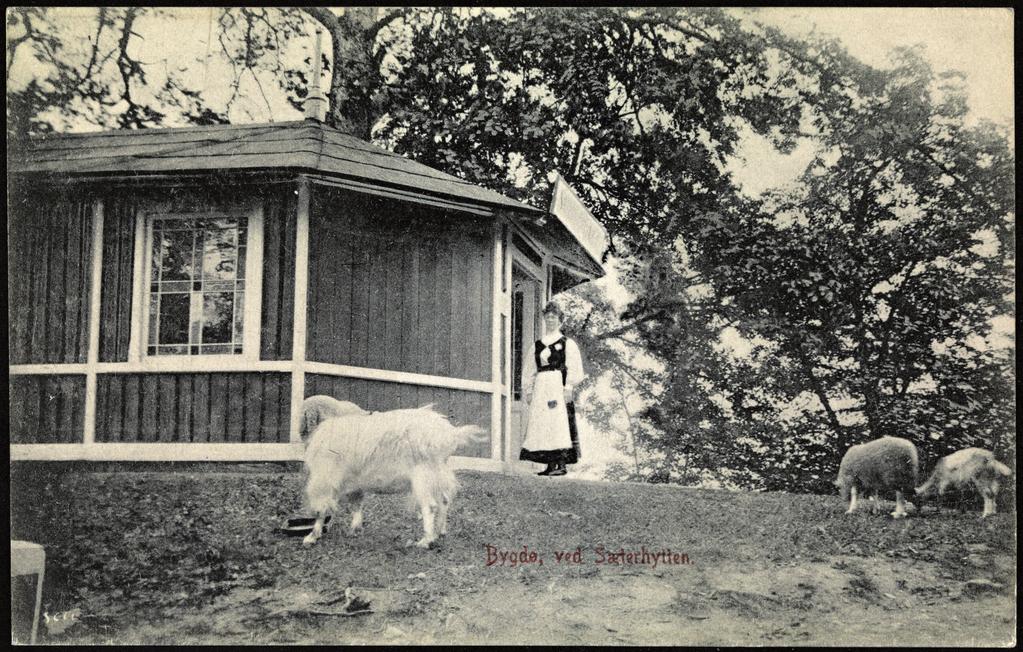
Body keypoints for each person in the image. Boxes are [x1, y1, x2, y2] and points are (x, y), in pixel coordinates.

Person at [519, 301, 585, 476]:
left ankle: (561, 464)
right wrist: (528, 390)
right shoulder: (538, 345)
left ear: (560, 320)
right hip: (542, 386)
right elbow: (529, 369)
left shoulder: (567, 343)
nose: (550, 320)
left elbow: (574, 367)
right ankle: (549, 464)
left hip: (557, 384)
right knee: (543, 421)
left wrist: (568, 387)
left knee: (557, 421)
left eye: (554, 317)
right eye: (547, 317)